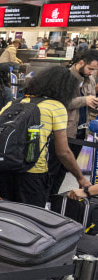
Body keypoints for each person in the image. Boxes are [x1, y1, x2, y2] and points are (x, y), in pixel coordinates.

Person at [0, 67, 90, 207]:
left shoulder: (14, 103)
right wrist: (80, 178)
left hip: (3, 170)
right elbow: (63, 152)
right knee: (31, 220)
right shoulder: (56, 107)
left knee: (2, 216)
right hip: (33, 173)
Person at [48, 50, 98, 195]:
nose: (92, 73)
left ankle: (53, 200)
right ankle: (43, 202)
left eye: (94, 70)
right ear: (81, 63)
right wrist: (85, 100)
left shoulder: (90, 80)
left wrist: (93, 102)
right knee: (52, 170)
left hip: (80, 133)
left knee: (64, 171)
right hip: (62, 132)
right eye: (90, 69)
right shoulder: (64, 78)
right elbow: (58, 103)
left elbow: (88, 101)